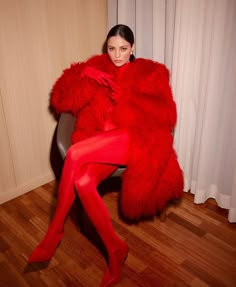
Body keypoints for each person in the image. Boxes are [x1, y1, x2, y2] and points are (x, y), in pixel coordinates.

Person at [28, 24, 184, 287]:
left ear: (133, 48)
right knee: (83, 182)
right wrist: (84, 73)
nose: (117, 55)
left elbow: (166, 115)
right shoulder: (98, 66)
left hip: (135, 140)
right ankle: (115, 250)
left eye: (123, 49)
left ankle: (54, 232)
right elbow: (61, 99)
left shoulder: (151, 72)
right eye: (112, 48)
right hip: (103, 143)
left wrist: (127, 97)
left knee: (76, 153)